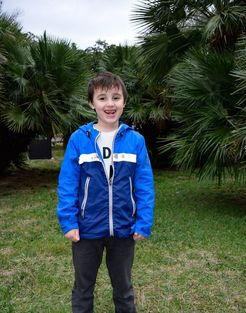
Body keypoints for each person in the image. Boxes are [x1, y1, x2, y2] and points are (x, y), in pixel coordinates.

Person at [56, 71, 154, 313]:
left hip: (123, 228)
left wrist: (143, 222)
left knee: (124, 289)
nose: (110, 104)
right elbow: (68, 183)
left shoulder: (136, 140)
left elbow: (144, 184)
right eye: (102, 98)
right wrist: (68, 222)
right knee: (83, 288)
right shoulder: (79, 139)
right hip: (86, 229)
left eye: (116, 97)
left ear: (124, 102)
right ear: (92, 103)